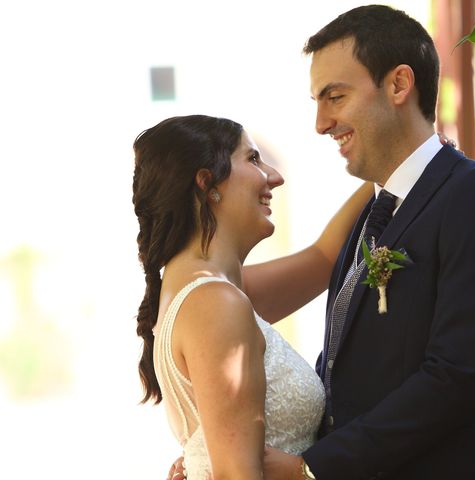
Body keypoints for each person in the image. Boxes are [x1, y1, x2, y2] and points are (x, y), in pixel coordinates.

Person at [261, 5, 475, 479]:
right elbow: (345, 377)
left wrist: (313, 469)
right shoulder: (367, 218)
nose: (321, 123)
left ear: (398, 85)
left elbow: (457, 377)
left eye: (335, 97)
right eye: (318, 102)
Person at [132, 114, 374, 479]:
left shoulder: (208, 289)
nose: (274, 177)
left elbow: (324, 258)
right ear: (207, 183)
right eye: (253, 159)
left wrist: (396, 168)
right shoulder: (215, 304)